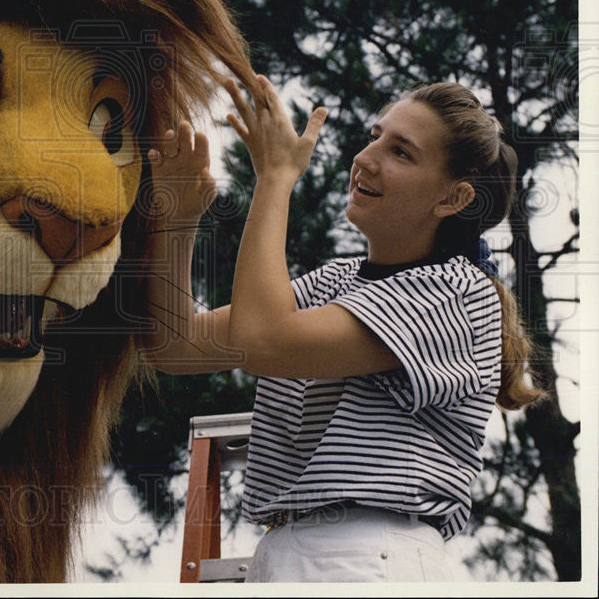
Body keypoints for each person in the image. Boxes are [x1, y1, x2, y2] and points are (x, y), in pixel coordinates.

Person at [142, 77, 546, 582]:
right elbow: (173, 346)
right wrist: (177, 219)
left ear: (453, 197)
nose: (366, 157)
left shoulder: (457, 290)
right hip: (289, 552)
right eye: (375, 135)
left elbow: (262, 342)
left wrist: (274, 178)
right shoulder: (338, 280)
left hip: (366, 555)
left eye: (400, 152)